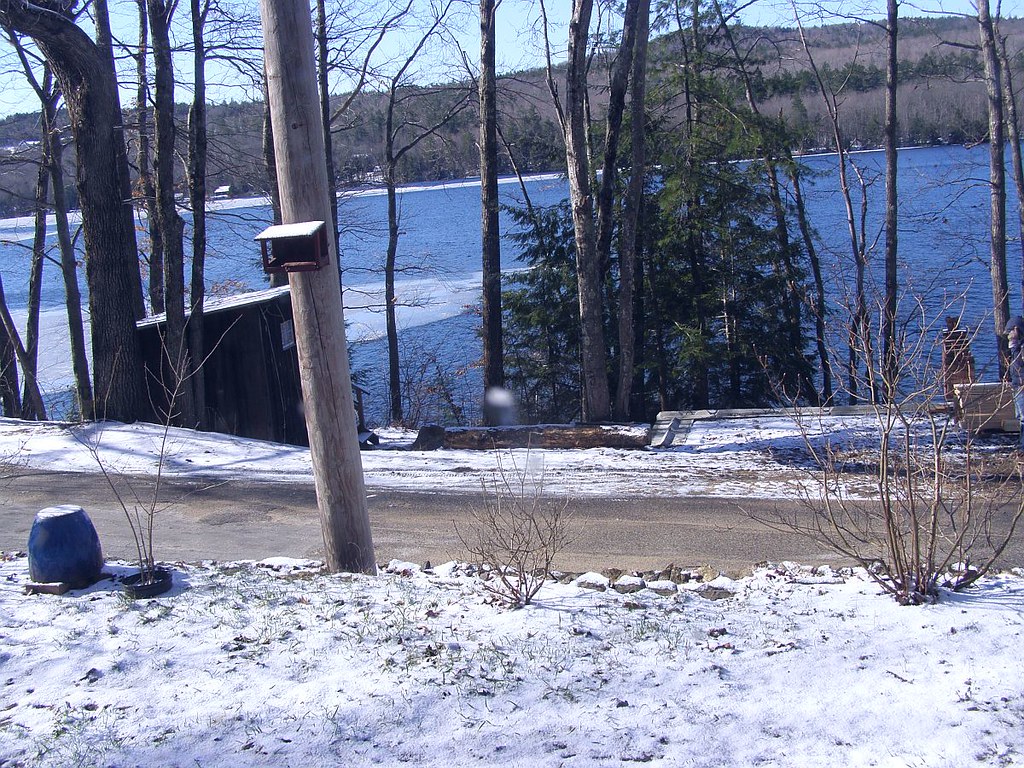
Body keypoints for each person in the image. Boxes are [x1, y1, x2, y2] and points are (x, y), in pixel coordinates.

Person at [1006, 315, 1024, 451]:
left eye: (1009, 332)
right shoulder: (1015, 348)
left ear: (1016, 330)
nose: (1007, 335)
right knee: (1020, 418)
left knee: (1023, 419)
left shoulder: (1020, 348)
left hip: (1022, 387)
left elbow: (1019, 367)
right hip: (1017, 386)